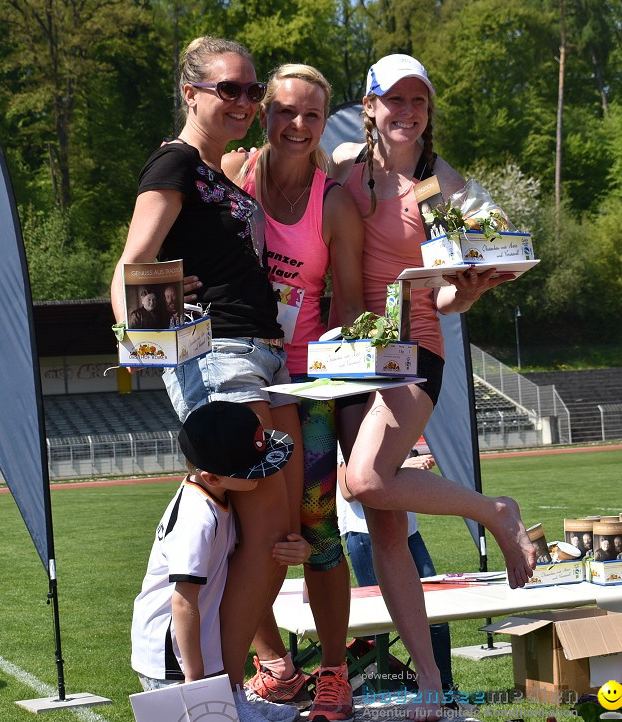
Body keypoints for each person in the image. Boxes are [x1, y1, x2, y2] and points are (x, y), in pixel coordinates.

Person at [330, 53, 536, 720]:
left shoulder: (442, 182)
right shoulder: (341, 166)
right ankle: (428, 678)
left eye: (419, 101)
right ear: (370, 106)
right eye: (396, 100)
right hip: (347, 357)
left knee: (362, 480)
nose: (408, 112)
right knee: (385, 529)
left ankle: (492, 510)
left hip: (412, 353)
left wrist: (469, 286)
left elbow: (457, 285)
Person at [110, 36, 303, 718]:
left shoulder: (215, 174)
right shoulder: (175, 163)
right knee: (263, 522)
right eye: (231, 89)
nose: (246, 101)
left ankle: (233, 683)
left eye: (253, 91)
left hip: (260, 351)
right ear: (191, 92)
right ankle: (213, 696)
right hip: (217, 354)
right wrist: (139, 335)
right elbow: (133, 261)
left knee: (276, 527)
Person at [222, 63, 365, 721]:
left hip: (306, 388)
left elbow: (354, 313)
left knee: (317, 528)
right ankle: (276, 665)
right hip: (241, 377)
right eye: (285, 111)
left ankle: (334, 673)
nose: (299, 125)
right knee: (237, 526)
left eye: (312, 114)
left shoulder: (333, 204)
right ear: (264, 113)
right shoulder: (232, 176)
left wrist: (332, 401)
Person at [130, 401, 307, 722]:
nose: (264, 474)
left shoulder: (217, 496)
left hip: (199, 644)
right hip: (173, 658)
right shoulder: (196, 520)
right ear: (212, 478)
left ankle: (232, 696)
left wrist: (298, 550)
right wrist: (196, 681)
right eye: (254, 470)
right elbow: (183, 603)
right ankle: (226, 699)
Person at [335, 453, 455, 695]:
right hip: (367, 535)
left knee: (437, 613)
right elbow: (347, 489)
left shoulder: (394, 420)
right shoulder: (350, 421)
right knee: (379, 624)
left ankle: (444, 688)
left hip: (408, 532)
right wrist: (403, 466)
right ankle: (372, 690)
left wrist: (412, 468)